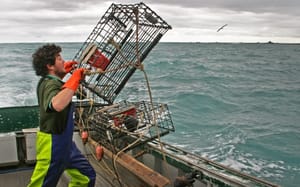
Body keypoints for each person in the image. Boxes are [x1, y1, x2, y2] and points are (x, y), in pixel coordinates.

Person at [28, 44, 96, 187]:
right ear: (50, 66)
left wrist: (65, 74)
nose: (64, 61)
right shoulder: (49, 84)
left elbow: (60, 89)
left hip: (66, 144)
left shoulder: (53, 81)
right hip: (52, 143)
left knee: (86, 177)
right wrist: (75, 79)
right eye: (59, 59)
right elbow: (57, 104)